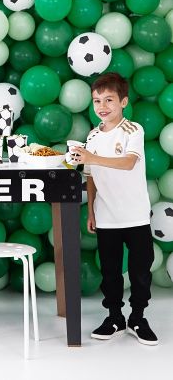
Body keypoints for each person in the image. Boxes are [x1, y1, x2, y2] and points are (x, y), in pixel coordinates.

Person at [73, 72, 157, 346]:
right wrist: (92, 211)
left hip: (135, 215)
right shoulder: (93, 136)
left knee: (140, 271)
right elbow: (91, 176)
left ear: (123, 102)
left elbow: (128, 163)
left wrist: (91, 157)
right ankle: (115, 318)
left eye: (109, 99)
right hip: (106, 216)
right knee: (110, 272)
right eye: (97, 100)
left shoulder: (133, 130)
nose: (102, 106)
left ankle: (138, 318)